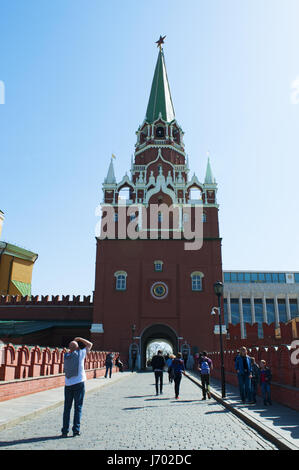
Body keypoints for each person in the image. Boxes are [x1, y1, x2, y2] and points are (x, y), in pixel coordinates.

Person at [61, 336, 93, 438]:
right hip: (79, 383)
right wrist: (79, 339)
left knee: (67, 408)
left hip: (68, 384)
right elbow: (90, 345)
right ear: (78, 347)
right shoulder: (80, 354)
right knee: (77, 408)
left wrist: (74, 345)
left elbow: (71, 349)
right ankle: (76, 430)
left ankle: (65, 431)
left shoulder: (66, 356)